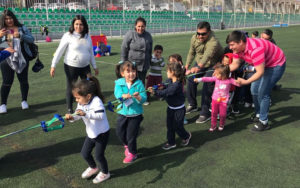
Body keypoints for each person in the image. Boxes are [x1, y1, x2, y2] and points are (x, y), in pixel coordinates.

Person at [227, 30, 286, 131]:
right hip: (263, 65)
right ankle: (259, 114)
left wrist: (245, 82)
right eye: (229, 45)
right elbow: (235, 64)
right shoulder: (238, 49)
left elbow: (260, 72)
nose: (230, 48)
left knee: (263, 92)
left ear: (241, 42)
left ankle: (264, 122)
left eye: (232, 45)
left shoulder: (255, 49)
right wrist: (221, 71)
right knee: (254, 90)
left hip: (276, 65)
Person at [65, 76, 110, 184]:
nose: (77, 100)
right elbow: (77, 115)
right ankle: (93, 167)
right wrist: (72, 117)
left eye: (78, 98)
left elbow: (100, 116)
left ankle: (105, 173)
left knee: (99, 155)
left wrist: (86, 114)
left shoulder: (96, 101)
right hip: (91, 133)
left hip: (102, 133)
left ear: (88, 96)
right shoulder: (81, 103)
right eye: (75, 98)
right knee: (85, 153)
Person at [50, 15, 98, 113]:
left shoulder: (87, 36)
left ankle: (86, 105)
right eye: (76, 24)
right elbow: (59, 51)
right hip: (71, 66)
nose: (78, 26)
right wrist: (53, 65)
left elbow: (91, 52)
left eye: (81, 24)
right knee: (71, 86)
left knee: (87, 86)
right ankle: (69, 108)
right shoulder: (68, 35)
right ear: (73, 24)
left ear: (84, 25)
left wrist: (94, 66)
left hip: (85, 67)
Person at [184, 21, 224, 124]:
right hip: (200, 62)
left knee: (207, 83)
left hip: (213, 64)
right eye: (199, 33)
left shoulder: (213, 41)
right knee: (191, 79)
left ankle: (205, 113)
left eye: (203, 34)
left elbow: (207, 55)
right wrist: (187, 66)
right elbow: (191, 52)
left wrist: (198, 68)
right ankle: (192, 105)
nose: (200, 36)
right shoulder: (194, 38)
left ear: (209, 32)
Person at [149, 62, 191, 150]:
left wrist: (155, 92)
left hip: (179, 110)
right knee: (170, 126)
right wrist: (158, 86)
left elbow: (166, 92)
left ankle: (186, 136)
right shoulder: (170, 80)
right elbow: (164, 84)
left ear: (173, 72)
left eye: (167, 71)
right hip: (171, 108)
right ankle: (171, 142)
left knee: (177, 126)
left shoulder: (177, 85)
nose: (166, 72)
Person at [0, 9, 34, 114]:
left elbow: (31, 39)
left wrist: (20, 35)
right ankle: (3, 104)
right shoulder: (1, 29)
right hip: (6, 58)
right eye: (6, 19)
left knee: (23, 80)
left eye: (10, 18)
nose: (9, 20)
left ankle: (24, 101)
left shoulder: (22, 27)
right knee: (7, 81)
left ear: (14, 18)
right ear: (3, 20)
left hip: (22, 57)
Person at [114, 61, 147, 163]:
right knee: (119, 132)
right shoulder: (119, 83)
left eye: (133, 71)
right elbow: (117, 94)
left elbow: (144, 98)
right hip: (122, 113)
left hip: (135, 114)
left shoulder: (139, 84)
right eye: (128, 72)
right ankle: (127, 145)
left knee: (131, 135)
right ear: (122, 73)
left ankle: (133, 153)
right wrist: (122, 96)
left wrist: (138, 97)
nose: (131, 73)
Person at [194, 64, 240, 131]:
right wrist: (199, 79)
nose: (215, 75)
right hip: (215, 99)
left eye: (217, 74)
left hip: (223, 101)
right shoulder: (216, 78)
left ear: (223, 75)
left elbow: (238, 83)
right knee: (213, 113)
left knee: (223, 114)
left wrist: (241, 82)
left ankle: (221, 124)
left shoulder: (230, 80)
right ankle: (213, 125)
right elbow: (208, 79)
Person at [121, 17, 153, 85]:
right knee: (131, 83)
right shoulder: (130, 34)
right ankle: (130, 95)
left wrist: (149, 61)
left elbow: (150, 50)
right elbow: (124, 48)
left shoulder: (148, 35)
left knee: (141, 83)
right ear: (135, 26)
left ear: (145, 26)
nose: (140, 28)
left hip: (144, 65)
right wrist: (124, 62)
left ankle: (141, 95)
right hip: (132, 65)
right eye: (139, 26)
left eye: (142, 26)